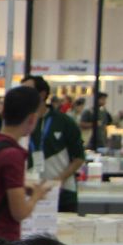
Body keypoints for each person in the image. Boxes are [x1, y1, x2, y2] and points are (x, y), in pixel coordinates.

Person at [0, 85, 53, 241]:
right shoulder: (12, 154)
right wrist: (36, 195)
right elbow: (19, 212)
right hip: (2, 237)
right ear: (32, 118)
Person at [23, 76, 86, 213]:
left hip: (62, 192)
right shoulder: (21, 121)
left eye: (27, 90)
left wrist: (59, 179)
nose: (22, 95)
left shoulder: (64, 122)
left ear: (42, 94)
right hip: (28, 192)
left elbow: (79, 157)